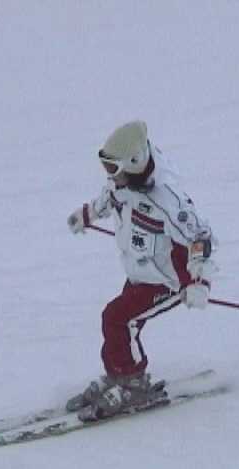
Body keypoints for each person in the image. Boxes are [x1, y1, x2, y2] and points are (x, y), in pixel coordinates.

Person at [65, 120, 216, 421]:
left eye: (113, 168)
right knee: (118, 323)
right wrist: (88, 214)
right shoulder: (123, 183)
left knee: (118, 319)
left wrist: (198, 282)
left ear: (134, 163)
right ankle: (118, 373)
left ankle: (133, 383)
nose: (109, 175)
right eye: (106, 167)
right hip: (141, 272)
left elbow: (199, 237)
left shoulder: (166, 198)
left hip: (167, 281)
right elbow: (109, 197)